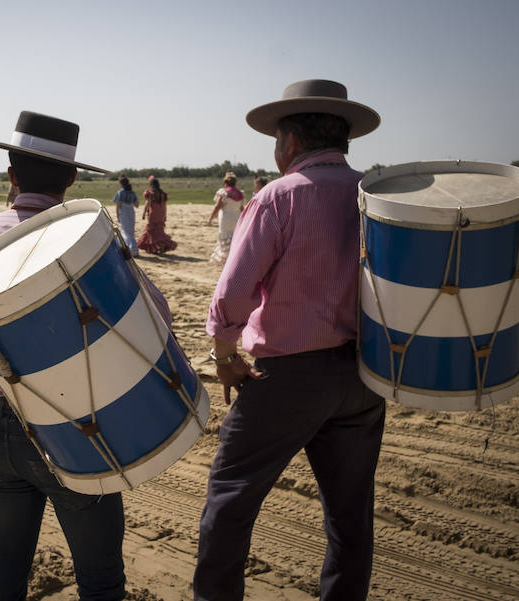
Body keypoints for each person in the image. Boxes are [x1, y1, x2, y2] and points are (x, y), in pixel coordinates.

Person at [0, 111, 172, 601]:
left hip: (1, 425)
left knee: (5, 566)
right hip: (80, 430)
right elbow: (158, 315)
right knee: (100, 581)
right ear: (71, 179)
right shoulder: (89, 239)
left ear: (11, 176)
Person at [193, 79, 385, 601]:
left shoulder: (280, 196)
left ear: (290, 142)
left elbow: (233, 293)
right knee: (349, 517)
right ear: (343, 139)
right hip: (365, 374)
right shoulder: (374, 195)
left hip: (287, 377)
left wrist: (224, 355)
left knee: (230, 499)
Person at [207, 172, 245, 264]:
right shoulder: (240, 193)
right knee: (234, 237)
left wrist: (211, 217)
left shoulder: (223, 192)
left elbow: (217, 206)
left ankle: (225, 258)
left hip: (226, 217)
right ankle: (234, 257)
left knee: (224, 236)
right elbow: (241, 208)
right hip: (236, 217)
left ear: (225, 183)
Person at [137, 176, 177, 254]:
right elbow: (164, 206)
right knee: (159, 230)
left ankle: (156, 248)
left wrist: (144, 214)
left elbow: (147, 204)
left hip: (153, 214)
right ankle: (160, 246)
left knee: (151, 231)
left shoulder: (151, 194)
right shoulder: (163, 194)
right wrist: (165, 215)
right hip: (161, 214)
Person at [112, 174, 139, 256]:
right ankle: (133, 248)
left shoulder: (120, 193)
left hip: (123, 213)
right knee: (130, 231)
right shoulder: (132, 193)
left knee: (125, 231)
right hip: (131, 213)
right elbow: (137, 205)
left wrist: (117, 216)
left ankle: (131, 249)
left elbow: (118, 206)